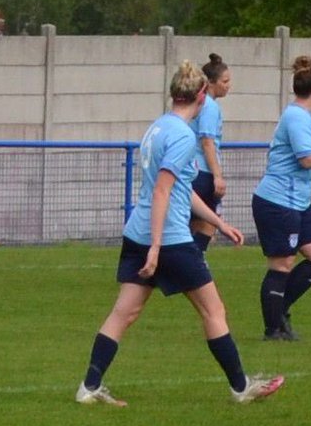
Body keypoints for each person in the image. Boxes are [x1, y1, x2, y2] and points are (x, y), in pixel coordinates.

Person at [75, 61, 283, 407]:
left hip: (137, 234)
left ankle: (89, 386)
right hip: (168, 240)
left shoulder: (157, 128)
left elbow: (181, 189)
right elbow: (163, 191)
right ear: (202, 97)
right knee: (214, 311)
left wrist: (218, 223)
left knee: (123, 313)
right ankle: (240, 387)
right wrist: (157, 247)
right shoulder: (184, 137)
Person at [252, 55, 311, 341]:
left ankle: (280, 307)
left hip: (297, 202)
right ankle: (273, 328)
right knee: (282, 264)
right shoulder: (296, 117)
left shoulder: (304, 117)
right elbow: (308, 158)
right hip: (277, 202)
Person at [190, 53, 232, 252]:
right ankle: (195, 261)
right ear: (212, 83)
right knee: (208, 223)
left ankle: (191, 260)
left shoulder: (200, 104)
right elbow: (207, 142)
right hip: (203, 172)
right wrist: (218, 176)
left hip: (194, 170)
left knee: (194, 224)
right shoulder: (210, 106)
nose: (228, 85)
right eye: (225, 81)